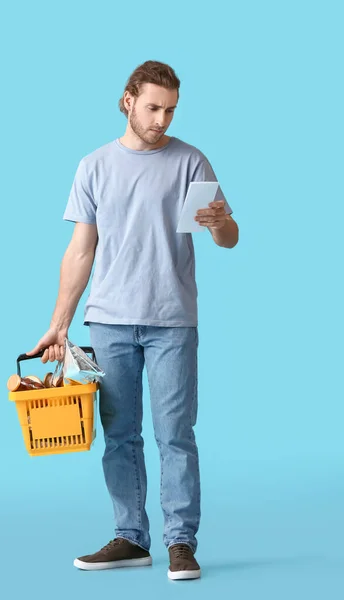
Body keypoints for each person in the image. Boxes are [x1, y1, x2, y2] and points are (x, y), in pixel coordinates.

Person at [27, 60, 239, 581]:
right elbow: (81, 251)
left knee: (175, 435)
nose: (162, 119)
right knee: (120, 435)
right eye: (153, 107)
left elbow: (228, 238)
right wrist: (60, 323)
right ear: (128, 101)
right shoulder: (94, 166)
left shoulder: (191, 161)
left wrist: (223, 223)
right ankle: (130, 537)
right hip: (110, 322)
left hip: (172, 321)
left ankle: (181, 543)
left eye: (170, 110)